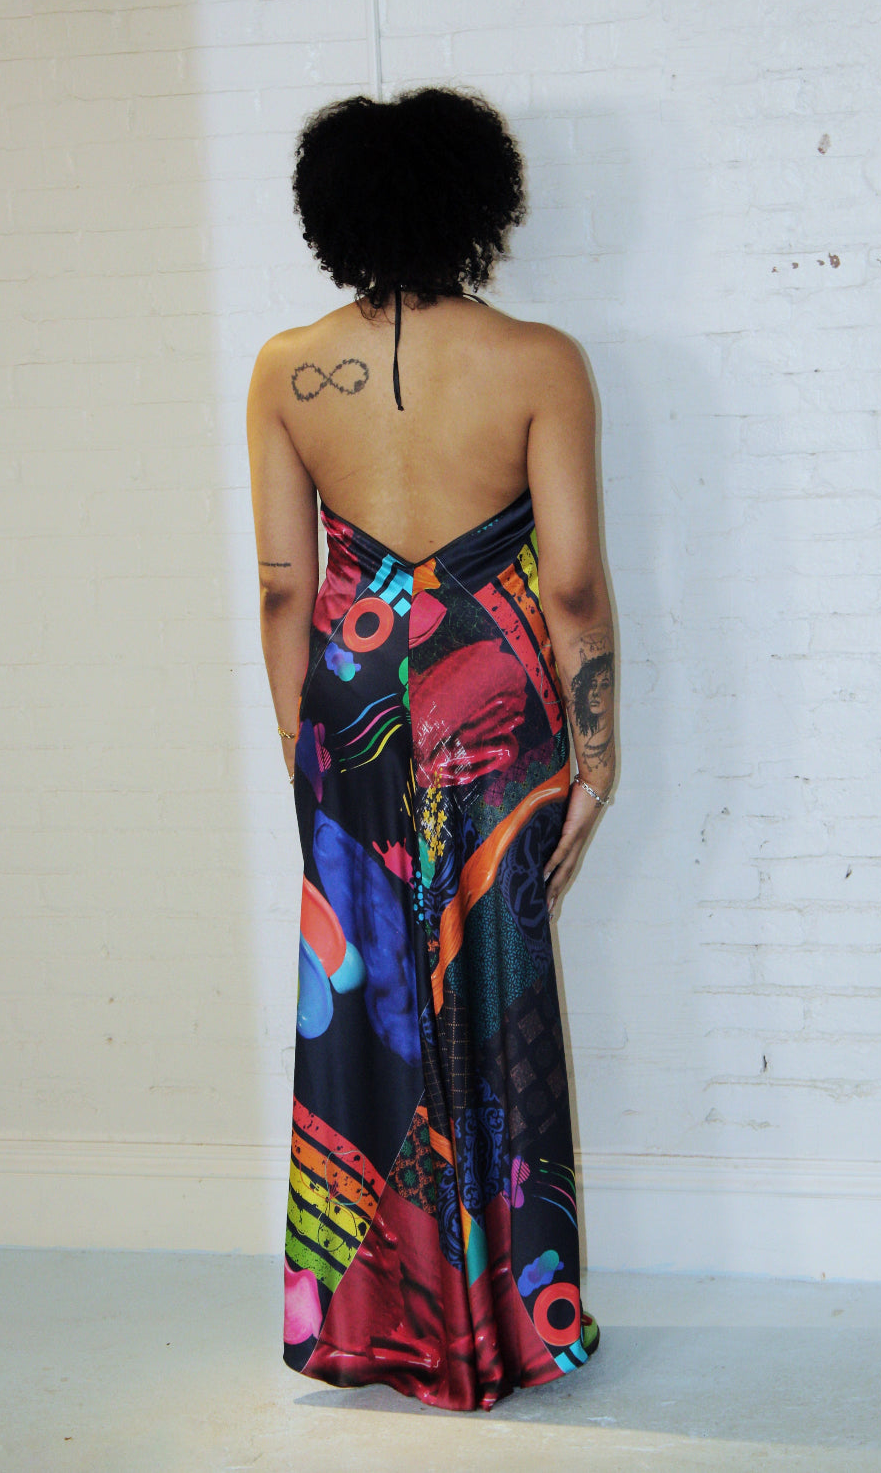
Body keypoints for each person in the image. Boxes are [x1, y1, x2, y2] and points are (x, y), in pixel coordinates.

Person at [245, 86, 616, 1413]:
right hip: (496, 701)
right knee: (499, 996)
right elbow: (570, 584)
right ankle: (515, 1327)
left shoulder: (285, 370)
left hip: (347, 709)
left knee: (364, 1005)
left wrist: (308, 756)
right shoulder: (539, 362)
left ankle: (374, 1326)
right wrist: (597, 754)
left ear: (333, 214)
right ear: (477, 202)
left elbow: (283, 589)